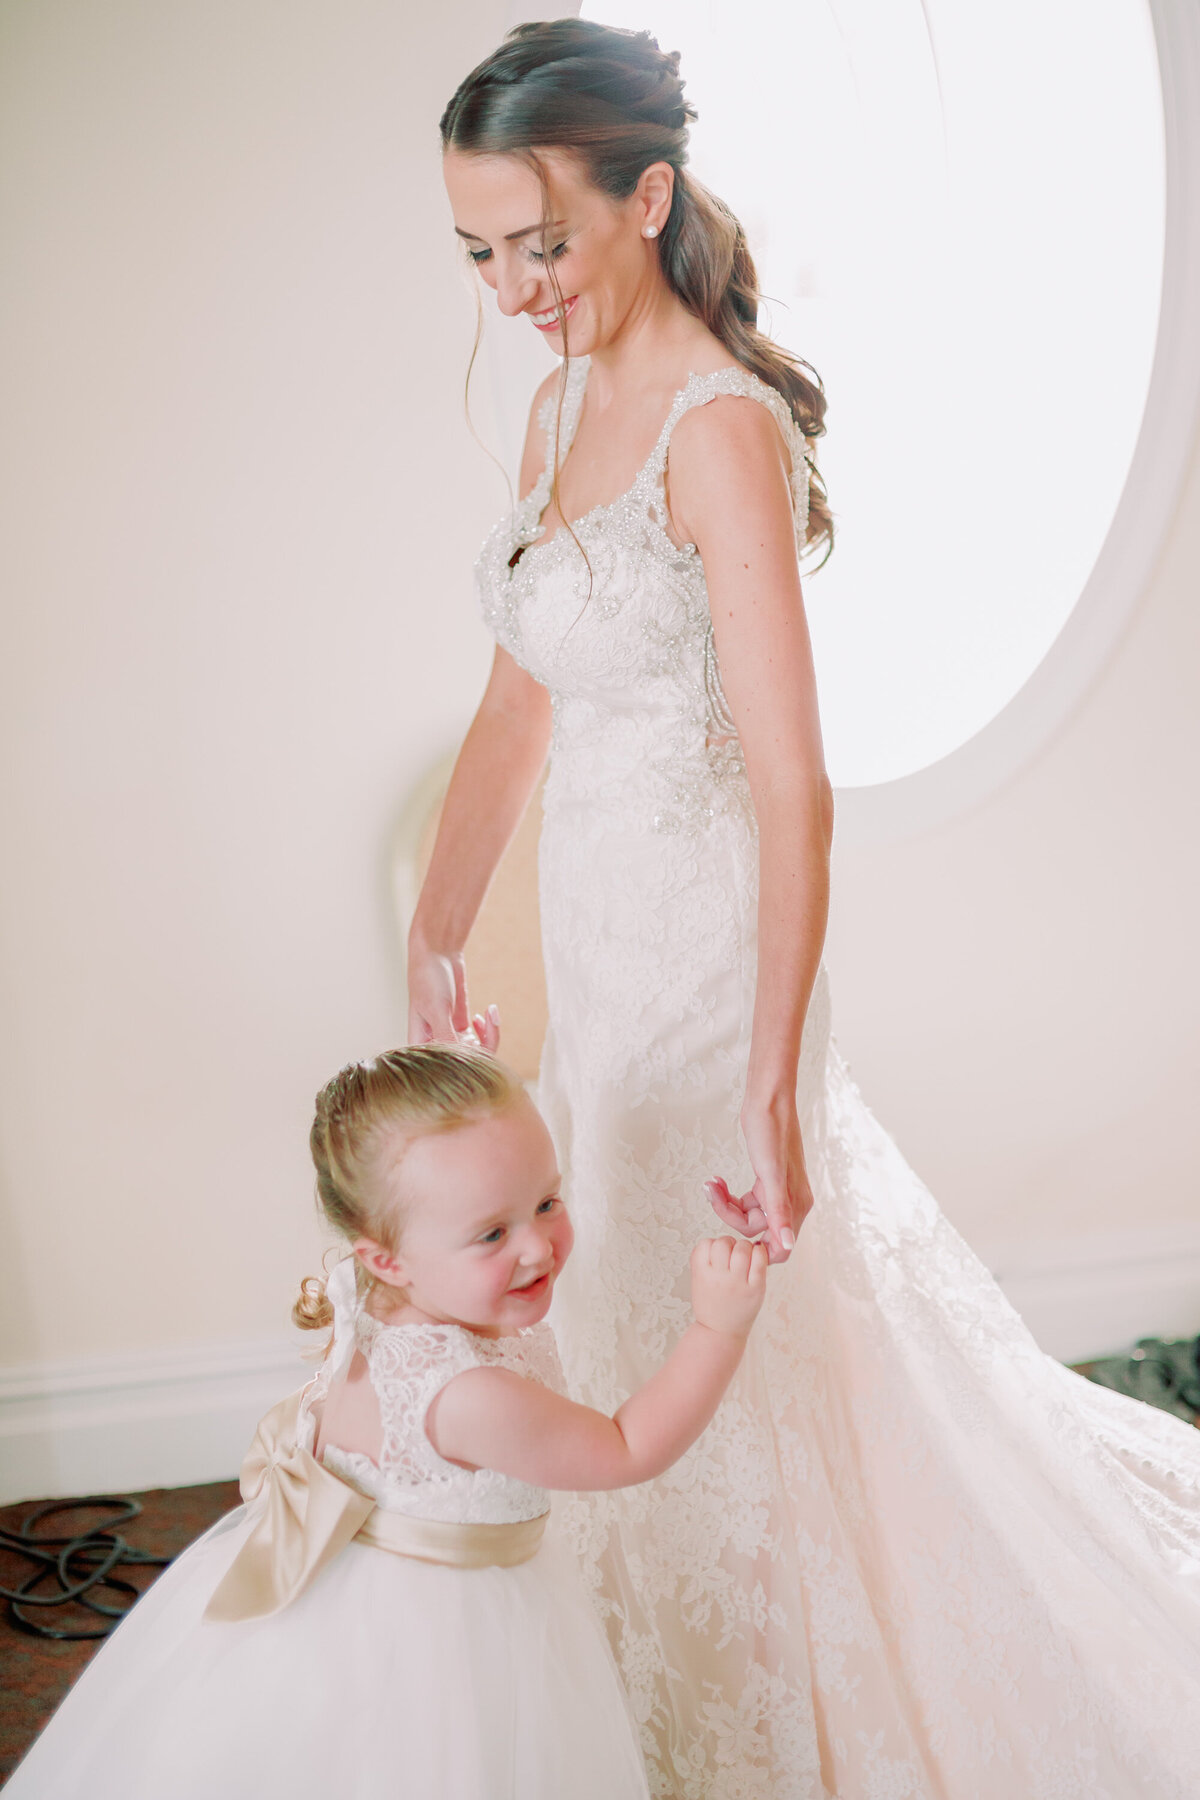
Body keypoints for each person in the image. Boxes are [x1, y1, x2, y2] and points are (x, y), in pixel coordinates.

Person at [411, 17, 1200, 1797]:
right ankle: (647, 1677)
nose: (514, 289)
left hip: (707, 964)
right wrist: (441, 924)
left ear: (649, 197)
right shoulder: (551, 408)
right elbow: (517, 702)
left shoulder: (718, 431)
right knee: (616, 1279)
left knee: (719, 1287)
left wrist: (773, 1078)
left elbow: (790, 783)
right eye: (478, 252)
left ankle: (794, 1693)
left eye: (542, 241)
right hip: (595, 949)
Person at [6, 1044, 768, 1800]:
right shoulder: (472, 1398)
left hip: (340, 1591)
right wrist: (716, 1330)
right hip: (445, 1636)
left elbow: (429, 1178)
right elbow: (624, 1448)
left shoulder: (369, 1290)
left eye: (546, 1200)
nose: (538, 1245)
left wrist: (458, 1074)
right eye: (492, 1234)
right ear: (391, 1258)